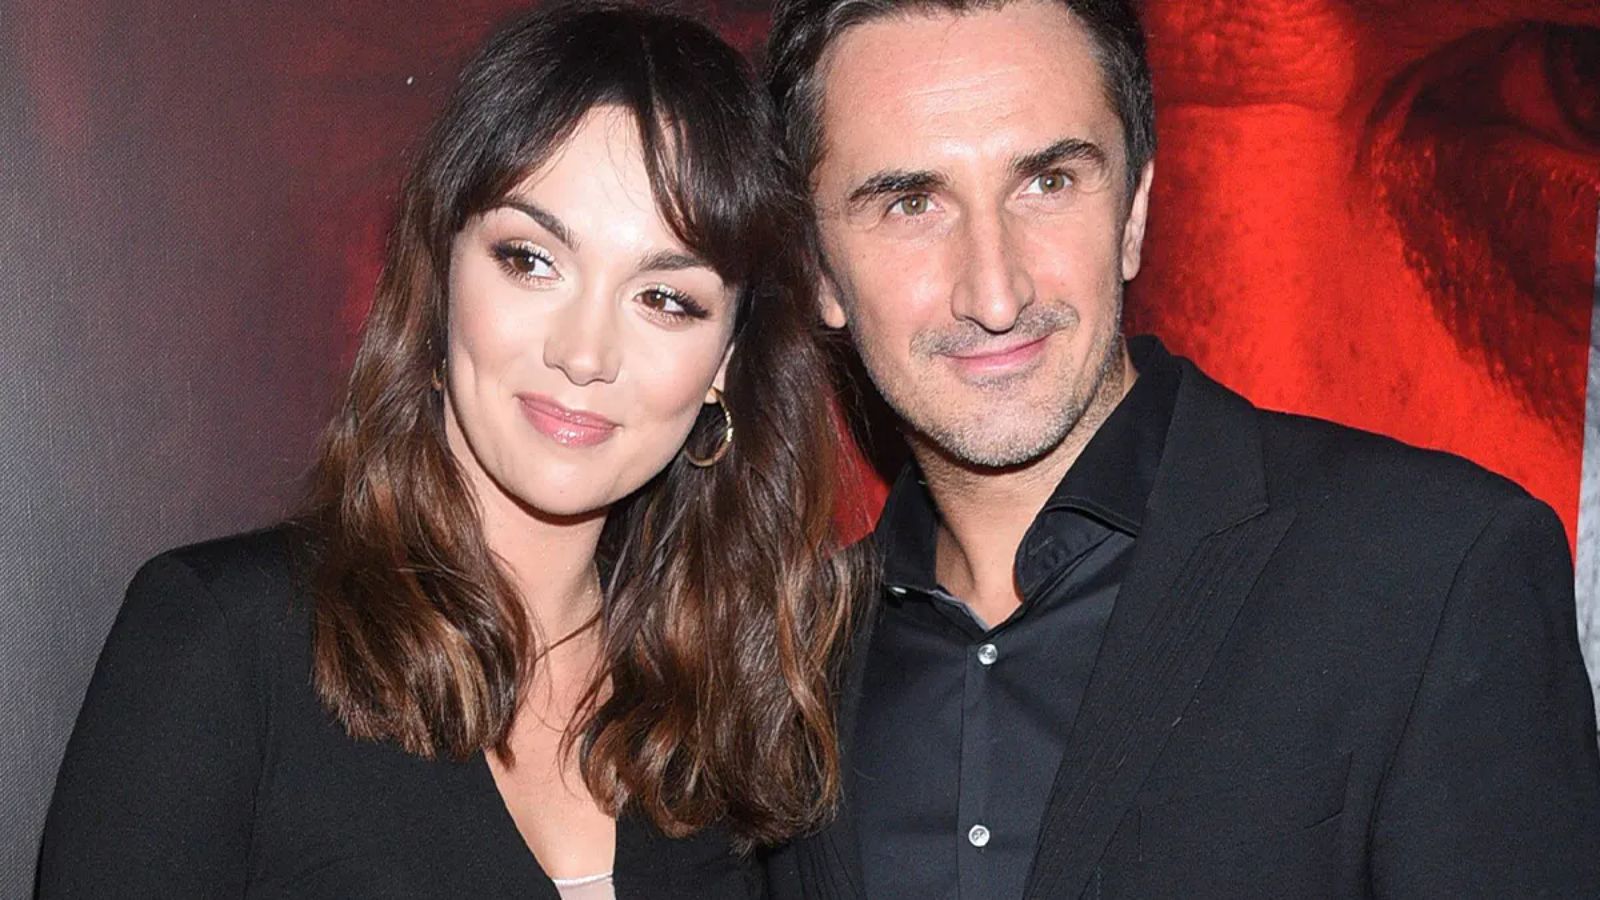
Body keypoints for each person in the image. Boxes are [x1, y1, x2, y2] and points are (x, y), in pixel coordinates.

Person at [761, 0, 1600, 897]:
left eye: (1048, 183)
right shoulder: (777, 657)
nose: (996, 294)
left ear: (1133, 214)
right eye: (911, 203)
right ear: (817, 270)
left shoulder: (1435, 570)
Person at [37, 4, 867, 897]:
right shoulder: (230, 644)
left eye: (665, 299)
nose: (584, 353)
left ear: (726, 360)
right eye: (532, 259)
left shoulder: (739, 703)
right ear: (441, 270)